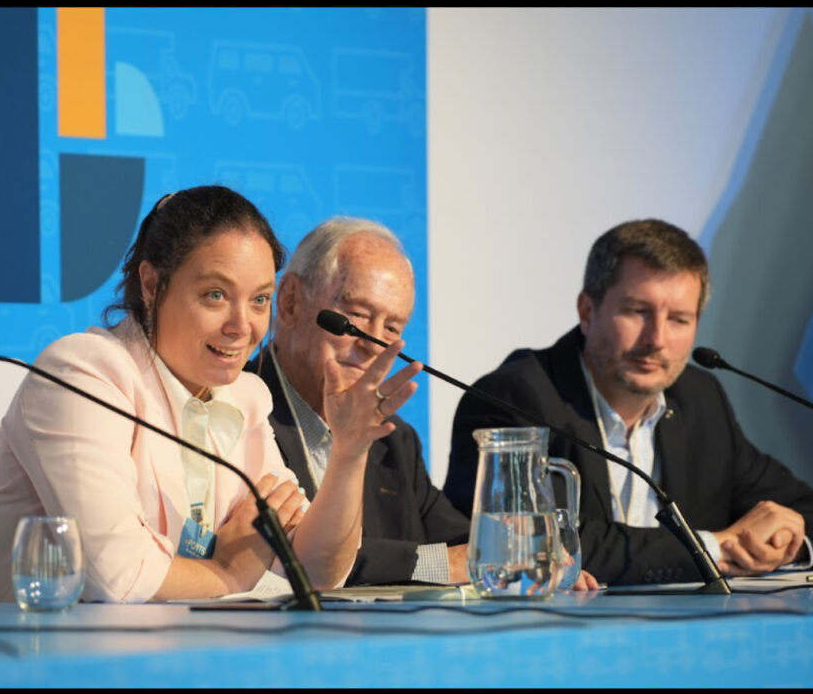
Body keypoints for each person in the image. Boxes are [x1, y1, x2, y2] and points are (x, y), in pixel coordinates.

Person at [0, 186, 419, 603]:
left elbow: (316, 571)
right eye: (215, 295)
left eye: (259, 300)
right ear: (152, 284)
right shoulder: (82, 374)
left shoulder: (243, 397)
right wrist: (230, 571)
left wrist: (349, 454)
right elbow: (120, 577)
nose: (242, 326)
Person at [444, 219, 813, 586]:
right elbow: (530, 541)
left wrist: (782, 542)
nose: (657, 340)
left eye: (679, 320)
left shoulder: (699, 398)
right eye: (638, 312)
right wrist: (715, 548)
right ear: (587, 311)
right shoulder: (515, 397)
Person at [247, 217, 601, 590]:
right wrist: (446, 564)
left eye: (392, 328)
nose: (373, 344)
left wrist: (523, 553)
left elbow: (461, 541)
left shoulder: (394, 440)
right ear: (290, 302)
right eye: (358, 316)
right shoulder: (239, 415)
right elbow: (298, 557)